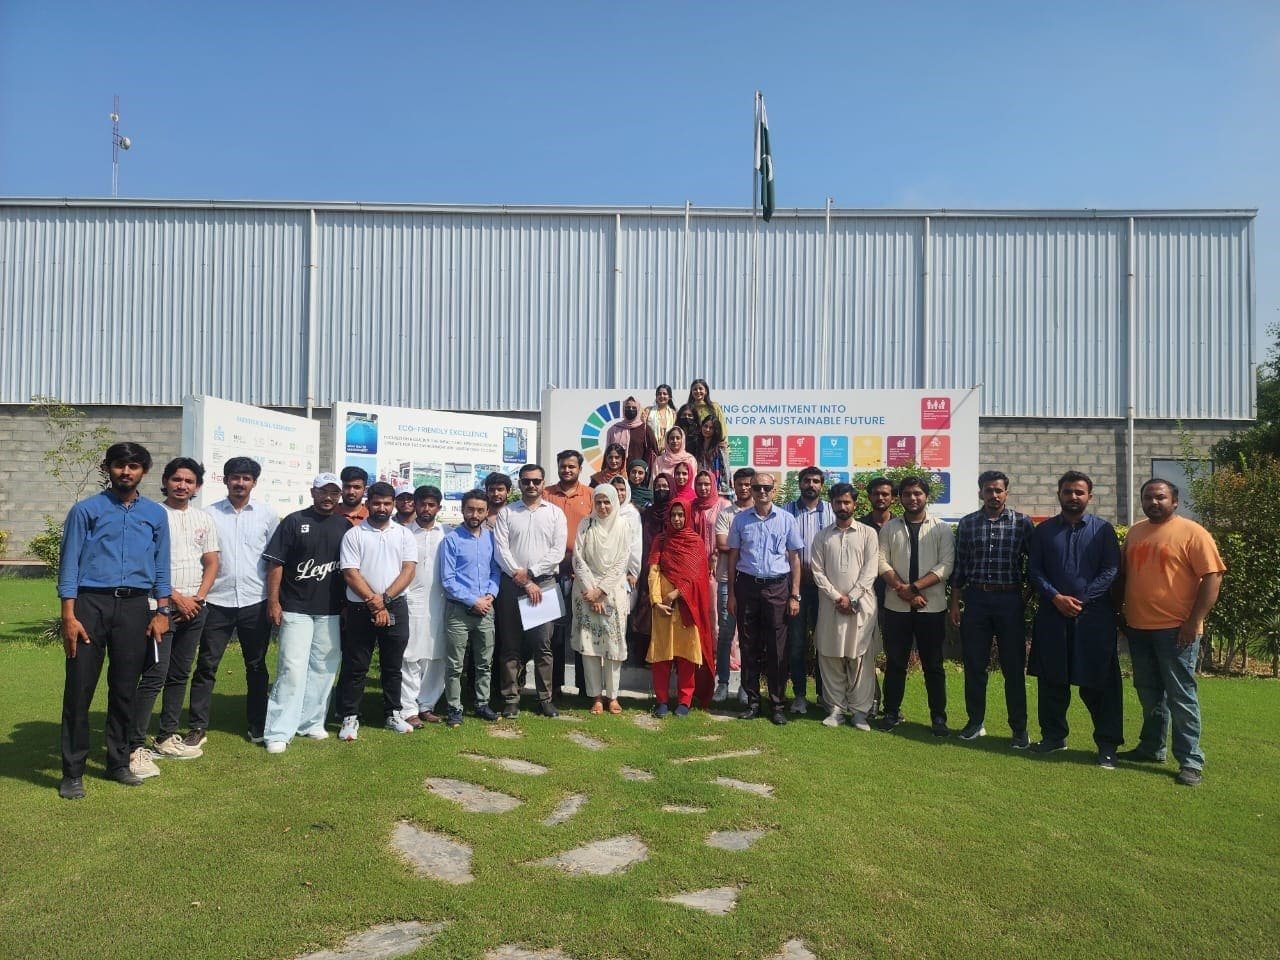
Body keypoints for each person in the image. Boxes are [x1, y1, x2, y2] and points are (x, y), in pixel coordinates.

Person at [57, 442, 171, 798]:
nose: (126, 472)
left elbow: (161, 566)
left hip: (135, 607)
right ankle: (72, 771)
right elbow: (69, 564)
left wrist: (162, 611)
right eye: (120, 465)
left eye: (133, 466)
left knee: (124, 690)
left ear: (143, 472)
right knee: (79, 689)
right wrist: (68, 615)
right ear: (108, 468)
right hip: (91, 605)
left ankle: (118, 762)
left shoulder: (155, 515)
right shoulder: (85, 511)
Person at [1118, 478, 1225, 786]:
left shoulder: (1193, 533)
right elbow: (1124, 575)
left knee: (1180, 695)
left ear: (1174, 501)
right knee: (1149, 692)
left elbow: (1213, 577)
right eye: (1148, 497)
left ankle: (1190, 760)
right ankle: (1152, 748)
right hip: (1139, 628)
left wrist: (1193, 622)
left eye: (1160, 497)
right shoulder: (1136, 532)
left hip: (1177, 631)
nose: (1154, 502)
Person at [1027, 471, 1124, 767]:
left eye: (1079, 492)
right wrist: (1056, 597)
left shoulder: (1103, 530)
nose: (1073, 497)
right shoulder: (1043, 532)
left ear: (1089, 497)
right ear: (1059, 494)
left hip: (1093, 618)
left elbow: (1111, 570)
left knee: (1100, 683)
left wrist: (1081, 599)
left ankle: (1107, 744)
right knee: (1051, 680)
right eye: (1067, 491)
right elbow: (1035, 571)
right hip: (1052, 615)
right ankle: (1054, 737)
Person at [129, 457, 218, 764]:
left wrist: (199, 599)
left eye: (189, 481)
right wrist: (175, 597)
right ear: (165, 481)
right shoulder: (151, 515)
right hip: (159, 608)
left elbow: (212, 562)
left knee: (180, 675)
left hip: (195, 608)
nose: (182, 485)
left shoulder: (203, 519)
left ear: (197, 486)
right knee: (155, 675)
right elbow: (145, 563)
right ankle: (133, 744)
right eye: (177, 479)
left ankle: (166, 736)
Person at [188, 457, 279, 748]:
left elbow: (274, 560)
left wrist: (274, 600)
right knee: (206, 665)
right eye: (235, 477)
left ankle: (257, 723)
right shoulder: (208, 514)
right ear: (225, 480)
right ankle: (197, 726)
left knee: (257, 666)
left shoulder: (267, 515)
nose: (240, 483)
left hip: (255, 600)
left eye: (246, 478)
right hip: (217, 600)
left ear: (254, 482)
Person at [260, 473, 349, 753]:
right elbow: (275, 564)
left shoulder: (344, 525)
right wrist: (273, 601)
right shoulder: (294, 521)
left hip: (330, 609)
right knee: (291, 669)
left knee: (324, 669)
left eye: (334, 493)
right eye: (323, 491)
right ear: (313, 492)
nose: (328, 497)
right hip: (296, 607)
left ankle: (310, 722)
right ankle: (278, 730)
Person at [948, 470, 1036, 747]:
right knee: (975, 665)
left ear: (1006, 492)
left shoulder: (1022, 523)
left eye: (999, 490)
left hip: (1010, 600)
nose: (994, 495)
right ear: (981, 493)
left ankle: (1019, 729)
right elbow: (960, 566)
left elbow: (1034, 564)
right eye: (989, 490)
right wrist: (955, 602)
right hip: (976, 600)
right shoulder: (968, 524)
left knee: (1013, 667)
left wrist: (1025, 596)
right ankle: (975, 722)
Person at [336, 482, 418, 740]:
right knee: (356, 665)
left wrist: (385, 599)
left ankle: (393, 713)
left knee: (393, 665)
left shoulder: (404, 534)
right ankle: (350, 716)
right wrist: (374, 601)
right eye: (377, 503)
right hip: (360, 607)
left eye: (387, 503)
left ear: (393, 505)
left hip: (395, 604)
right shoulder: (354, 534)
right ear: (368, 504)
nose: (382, 508)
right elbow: (350, 573)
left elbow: (408, 570)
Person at [877, 476, 954, 736]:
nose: (912, 498)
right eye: (907, 494)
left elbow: (946, 566)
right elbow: (881, 562)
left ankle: (938, 718)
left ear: (926, 496)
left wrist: (914, 588)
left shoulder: (941, 529)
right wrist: (904, 591)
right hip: (896, 607)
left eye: (917, 493)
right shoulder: (890, 528)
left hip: (931, 608)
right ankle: (891, 712)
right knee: (895, 662)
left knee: (933, 665)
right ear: (900, 497)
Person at [727, 472, 803, 725]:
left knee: (777, 648)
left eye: (766, 488)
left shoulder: (787, 519)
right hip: (747, 587)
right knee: (748, 645)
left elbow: (794, 559)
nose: (761, 492)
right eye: (757, 487)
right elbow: (733, 557)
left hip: (777, 588)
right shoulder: (740, 520)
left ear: (774, 490)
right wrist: (732, 594)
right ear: (751, 490)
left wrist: (794, 595)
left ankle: (777, 704)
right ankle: (753, 702)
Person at [493, 463, 568, 718]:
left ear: (543, 483)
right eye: (526, 481)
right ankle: (511, 699)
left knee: (543, 645)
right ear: (520, 484)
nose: (531, 485)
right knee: (510, 645)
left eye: (536, 481)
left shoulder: (555, 513)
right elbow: (501, 550)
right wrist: (524, 580)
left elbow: (557, 551)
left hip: (544, 584)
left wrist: (532, 573)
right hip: (512, 584)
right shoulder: (507, 513)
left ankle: (545, 699)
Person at [811, 482, 881, 731]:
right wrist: (837, 597)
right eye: (838, 502)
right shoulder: (822, 536)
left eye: (846, 502)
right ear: (831, 504)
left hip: (861, 606)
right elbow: (817, 572)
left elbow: (870, 570)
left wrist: (851, 598)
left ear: (855, 504)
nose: (842, 506)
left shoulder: (868, 534)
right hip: (830, 606)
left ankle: (860, 712)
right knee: (830, 655)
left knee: (860, 657)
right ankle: (836, 710)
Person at [439, 490, 501, 728]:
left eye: (480, 510)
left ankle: (482, 703)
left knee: (484, 662)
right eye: (470, 509)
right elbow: (448, 580)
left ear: (486, 512)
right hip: (459, 611)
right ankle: (454, 707)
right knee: (455, 664)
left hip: (486, 609)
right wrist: (473, 601)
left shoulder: (491, 539)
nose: (475, 515)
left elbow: (495, 571)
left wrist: (490, 595)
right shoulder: (452, 540)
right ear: (462, 510)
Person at [648, 500, 716, 716]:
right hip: (662, 607)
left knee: (687, 655)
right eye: (673, 515)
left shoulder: (695, 542)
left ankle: (685, 701)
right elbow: (653, 572)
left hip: (688, 606)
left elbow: (697, 577)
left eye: (680, 515)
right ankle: (661, 700)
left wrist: (676, 594)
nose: (677, 519)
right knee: (661, 654)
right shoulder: (661, 540)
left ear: (687, 516)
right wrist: (657, 601)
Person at [572, 485, 633, 714]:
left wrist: (601, 591)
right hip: (586, 591)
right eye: (598, 502)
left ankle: (612, 696)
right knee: (589, 647)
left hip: (612, 592)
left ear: (615, 502)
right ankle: (596, 696)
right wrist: (592, 591)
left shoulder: (623, 525)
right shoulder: (586, 524)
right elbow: (578, 559)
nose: (603, 506)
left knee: (613, 646)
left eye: (607, 502)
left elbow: (622, 561)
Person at [780, 465, 835, 714]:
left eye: (815, 481)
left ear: (821, 485)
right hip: (796, 586)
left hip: (825, 588)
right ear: (799, 483)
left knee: (825, 642)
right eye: (806, 480)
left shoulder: (832, 512)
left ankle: (824, 695)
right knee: (797, 643)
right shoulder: (786, 511)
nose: (810, 485)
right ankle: (800, 695)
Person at [400, 485, 449, 728]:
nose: (426, 509)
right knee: (409, 656)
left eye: (431, 505)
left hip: (440, 602)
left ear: (439, 507)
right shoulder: (403, 533)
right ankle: (408, 708)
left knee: (437, 655)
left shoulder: (447, 533)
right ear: (415, 505)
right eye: (422, 504)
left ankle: (427, 704)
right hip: (410, 601)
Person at [545, 450, 593, 697]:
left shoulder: (591, 495)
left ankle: (585, 688)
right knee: (553, 633)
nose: (567, 470)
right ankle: (553, 687)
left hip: (581, 574)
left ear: (580, 469)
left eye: (571, 467)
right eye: (563, 466)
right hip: (551, 573)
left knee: (582, 630)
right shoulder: (546, 494)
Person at [713, 467, 756, 702]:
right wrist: (748, 546)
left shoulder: (760, 512)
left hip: (752, 581)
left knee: (750, 635)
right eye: (740, 484)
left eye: (748, 484)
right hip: (726, 580)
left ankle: (746, 686)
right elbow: (722, 544)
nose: (744, 488)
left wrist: (737, 545)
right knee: (726, 633)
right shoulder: (726, 513)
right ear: (734, 485)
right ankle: (722, 683)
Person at [859, 476, 896, 717]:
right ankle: (872, 699)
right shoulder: (860, 526)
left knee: (894, 655)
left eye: (885, 494)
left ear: (893, 498)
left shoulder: (901, 525)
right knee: (866, 654)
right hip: (866, 599)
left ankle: (892, 706)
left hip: (896, 600)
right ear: (869, 496)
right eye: (876, 494)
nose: (880, 498)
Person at [606, 396, 660, 469]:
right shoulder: (614, 429)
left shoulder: (645, 429)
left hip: (638, 473)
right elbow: (608, 453)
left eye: (634, 408)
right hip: (617, 472)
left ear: (638, 410)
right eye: (627, 407)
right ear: (623, 409)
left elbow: (654, 452)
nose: (630, 410)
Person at [696, 415, 730, 495]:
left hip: (716, 490)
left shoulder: (720, 448)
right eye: (705, 426)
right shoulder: (696, 446)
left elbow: (725, 472)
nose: (707, 429)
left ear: (715, 430)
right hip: (700, 487)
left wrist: (723, 491)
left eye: (711, 428)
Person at [643, 384, 677, 453]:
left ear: (669, 397)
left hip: (669, 451)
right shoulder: (648, 411)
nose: (662, 396)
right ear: (656, 396)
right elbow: (643, 430)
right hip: (651, 450)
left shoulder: (673, 413)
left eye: (665, 394)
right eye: (659, 394)